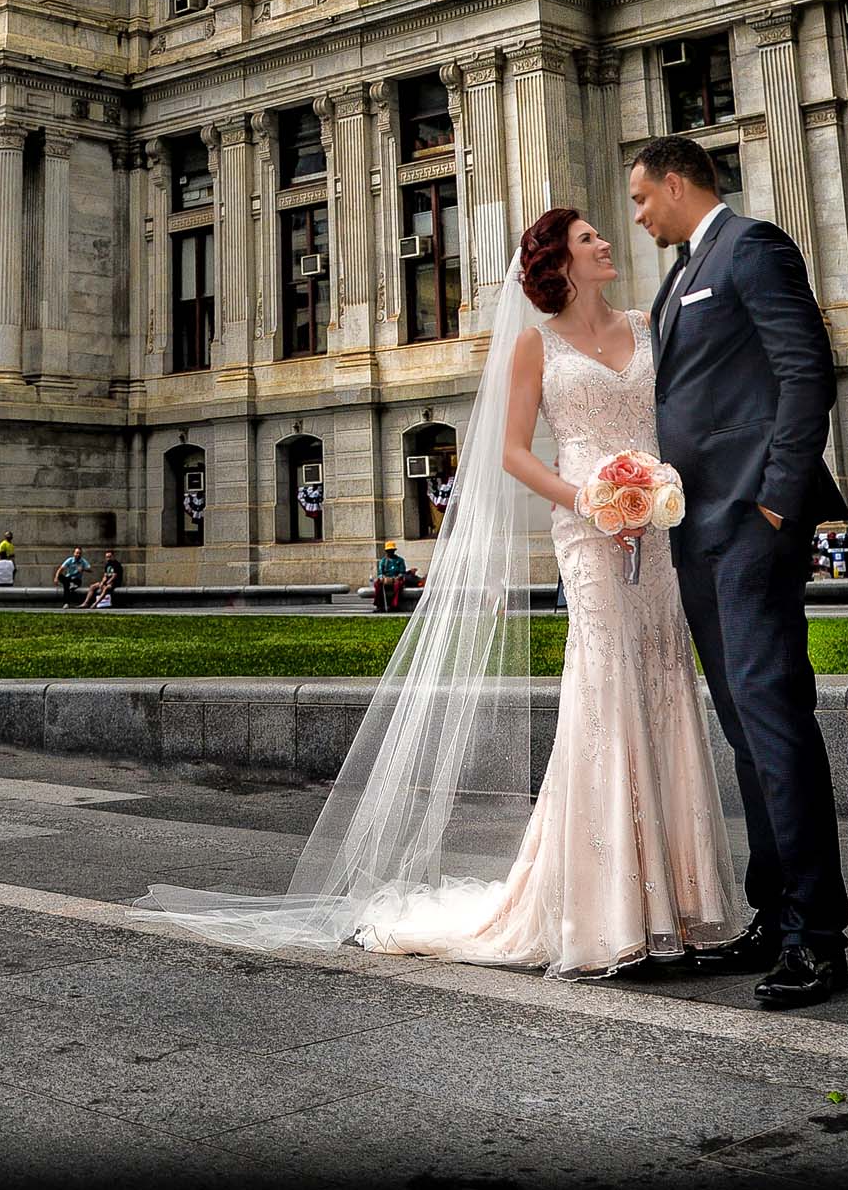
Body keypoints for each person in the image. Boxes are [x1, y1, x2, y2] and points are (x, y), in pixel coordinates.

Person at [138, 201, 747, 984]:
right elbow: (512, 454)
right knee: (607, 695)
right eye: (589, 237)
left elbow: (676, 420)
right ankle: (610, 911)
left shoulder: (647, 325)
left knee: (666, 686)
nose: (606, 242)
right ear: (558, 260)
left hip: (656, 529)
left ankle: (684, 905)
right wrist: (590, 501)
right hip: (588, 534)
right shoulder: (535, 343)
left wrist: (653, 492)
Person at [630, 135, 848, 1008]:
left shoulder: (750, 247)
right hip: (695, 532)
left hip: (751, 525)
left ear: (677, 184)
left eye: (643, 197)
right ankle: (773, 916)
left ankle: (817, 939)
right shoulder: (680, 274)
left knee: (773, 720)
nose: (638, 212)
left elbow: (805, 373)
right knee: (742, 729)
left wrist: (774, 502)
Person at [373, 541, 408, 613]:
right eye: (388, 551)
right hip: (386, 579)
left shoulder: (400, 560)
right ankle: (379, 605)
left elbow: (402, 572)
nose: (390, 552)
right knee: (377, 584)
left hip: (396, 579)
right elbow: (380, 572)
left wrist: (397, 577)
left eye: (392, 551)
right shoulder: (383, 561)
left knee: (398, 585)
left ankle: (394, 605)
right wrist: (382, 577)